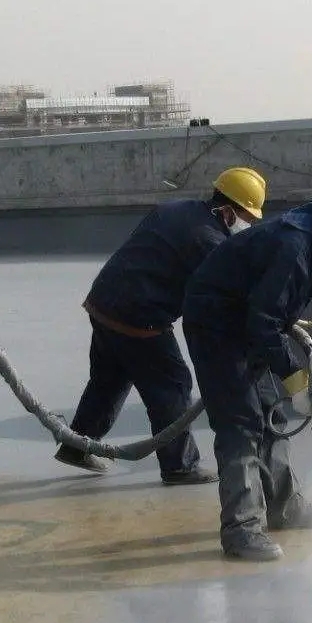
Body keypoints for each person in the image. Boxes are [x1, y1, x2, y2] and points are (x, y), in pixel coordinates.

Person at [182, 187, 312, 561]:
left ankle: (283, 507)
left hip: (242, 326)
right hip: (217, 331)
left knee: (271, 415)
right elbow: (263, 322)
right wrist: (297, 380)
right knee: (241, 424)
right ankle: (242, 531)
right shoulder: (295, 245)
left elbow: (271, 310)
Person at [54, 167, 267, 484]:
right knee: (173, 384)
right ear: (227, 210)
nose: (247, 225)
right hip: (138, 317)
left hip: (103, 303)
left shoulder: (177, 208)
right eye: (246, 218)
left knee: (108, 380)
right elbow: (225, 296)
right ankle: (179, 465)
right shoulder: (208, 241)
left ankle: (77, 445)